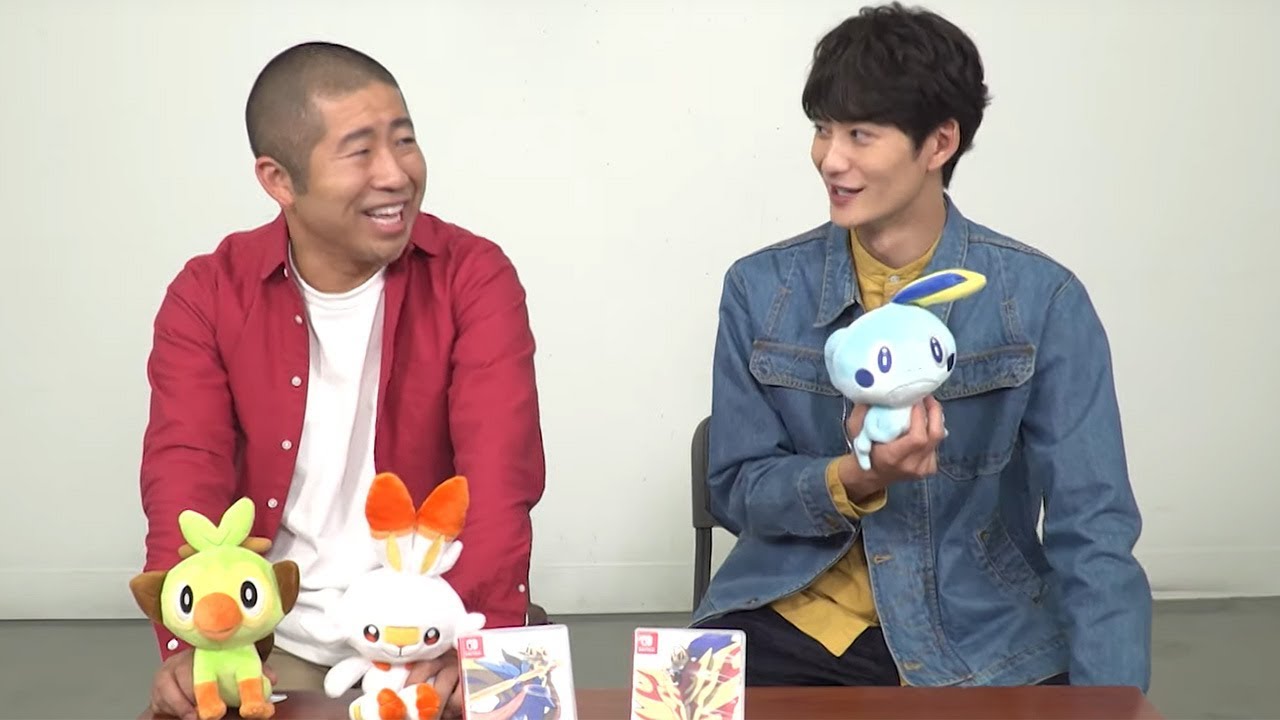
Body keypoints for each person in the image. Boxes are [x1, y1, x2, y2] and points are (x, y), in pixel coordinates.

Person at [693, 2, 1152, 691]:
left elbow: (1094, 529)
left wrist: (1112, 704)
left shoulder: (1042, 300)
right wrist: (856, 477)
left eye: (860, 133)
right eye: (822, 129)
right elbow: (735, 489)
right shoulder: (760, 288)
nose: (830, 158)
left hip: (986, 640)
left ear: (939, 143)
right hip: (786, 620)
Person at [139, 41, 546, 720]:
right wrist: (190, 644)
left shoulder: (473, 277)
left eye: (404, 140)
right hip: (269, 643)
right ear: (279, 180)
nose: (396, 173)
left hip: (430, 632)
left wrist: (477, 648)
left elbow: (499, 478)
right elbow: (184, 475)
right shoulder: (208, 295)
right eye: (360, 151)